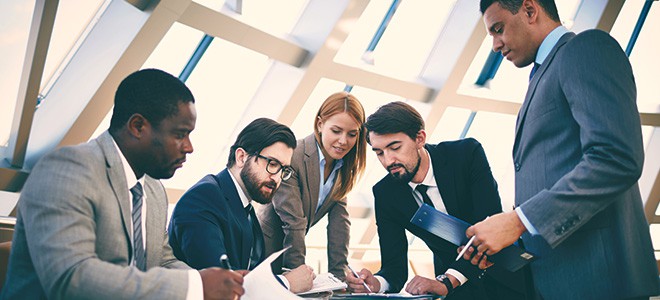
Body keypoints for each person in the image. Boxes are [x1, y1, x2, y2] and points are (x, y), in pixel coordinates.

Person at [467, 1, 660, 299]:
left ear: (530, 10)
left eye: (498, 29)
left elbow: (616, 157)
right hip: (558, 281)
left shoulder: (585, 49)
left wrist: (519, 221)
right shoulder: (544, 72)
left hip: (599, 282)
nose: (494, 45)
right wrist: (508, 237)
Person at [0, 69, 245, 299]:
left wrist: (222, 283)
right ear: (138, 126)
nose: (189, 147)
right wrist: (194, 287)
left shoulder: (153, 190)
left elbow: (162, 262)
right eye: (180, 134)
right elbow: (72, 278)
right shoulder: (68, 169)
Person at [346, 102, 525, 299]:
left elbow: (489, 228)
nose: (388, 161)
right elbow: (394, 269)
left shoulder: (466, 155)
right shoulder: (386, 193)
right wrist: (376, 283)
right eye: (379, 152)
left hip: (507, 280)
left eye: (395, 147)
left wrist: (448, 280)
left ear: (420, 138)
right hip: (458, 294)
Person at [168, 117, 315, 294]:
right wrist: (286, 282)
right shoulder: (203, 199)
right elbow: (220, 284)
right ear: (241, 157)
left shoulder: (245, 208)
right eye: (273, 164)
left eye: (283, 170)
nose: (277, 178)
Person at [257, 92, 367, 280]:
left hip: (288, 250)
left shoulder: (342, 167)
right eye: (336, 131)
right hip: (261, 253)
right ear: (320, 124)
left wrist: (339, 276)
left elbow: (340, 225)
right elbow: (293, 221)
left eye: (352, 134)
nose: (343, 141)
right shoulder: (294, 156)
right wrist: (299, 272)